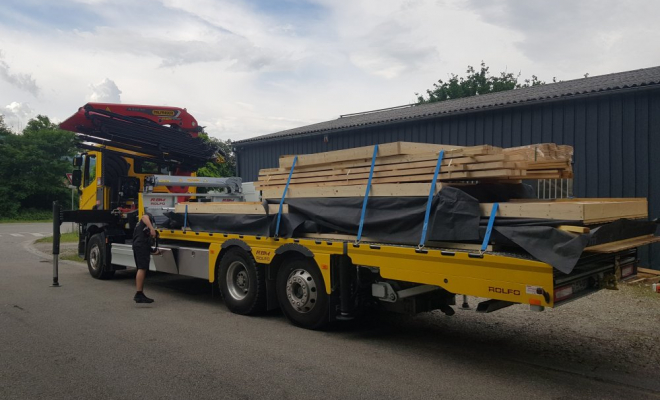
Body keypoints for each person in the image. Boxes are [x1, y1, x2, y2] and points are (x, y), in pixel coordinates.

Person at [133, 213, 158, 303]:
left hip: (139, 245)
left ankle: (140, 293)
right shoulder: (146, 217)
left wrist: (152, 250)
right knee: (142, 268)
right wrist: (152, 229)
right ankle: (139, 294)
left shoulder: (140, 227)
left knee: (141, 268)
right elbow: (144, 217)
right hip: (141, 246)